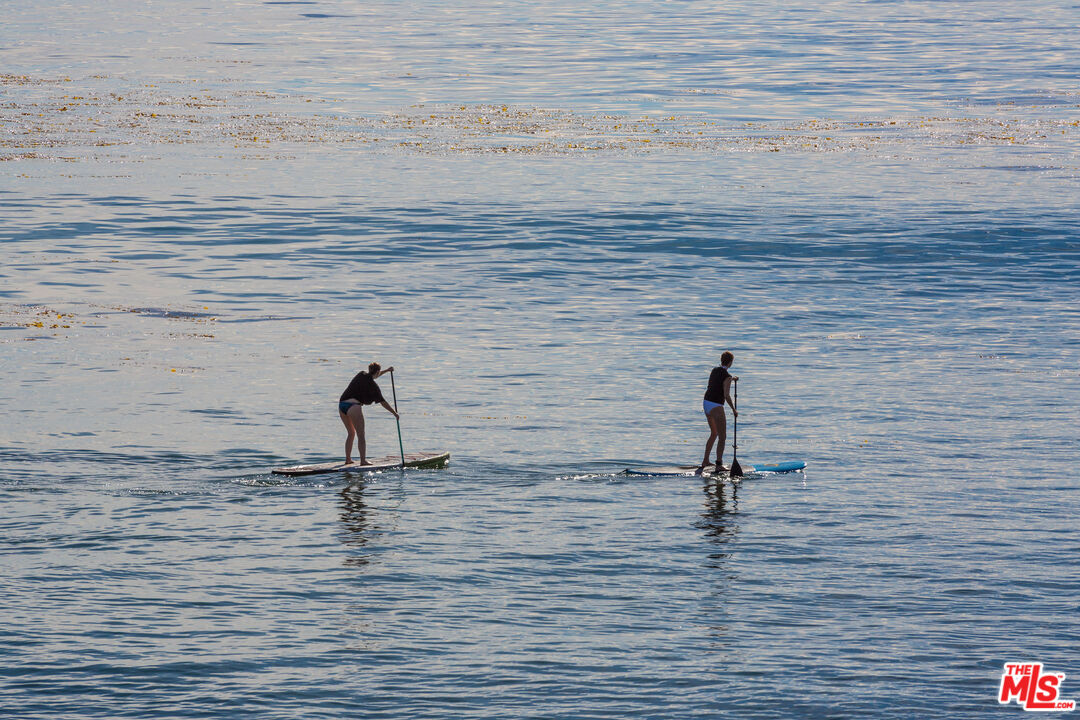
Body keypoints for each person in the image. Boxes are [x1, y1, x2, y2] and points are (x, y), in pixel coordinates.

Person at [339, 362, 399, 465]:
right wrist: (394, 413)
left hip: (341, 405)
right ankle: (363, 461)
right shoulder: (374, 387)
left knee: (351, 433)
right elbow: (383, 402)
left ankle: (348, 459)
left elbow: (373, 375)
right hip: (354, 407)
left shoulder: (361, 374)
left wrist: (387, 370)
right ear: (377, 372)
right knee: (361, 435)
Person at [698, 351, 738, 474]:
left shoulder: (714, 370)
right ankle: (719, 464)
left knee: (714, 433)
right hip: (716, 406)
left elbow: (719, 381)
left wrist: (732, 378)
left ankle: (705, 461)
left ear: (721, 360)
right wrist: (733, 409)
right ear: (731, 362)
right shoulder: (727, 377)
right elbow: (726, 395)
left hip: (706, 403)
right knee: (722, 436)